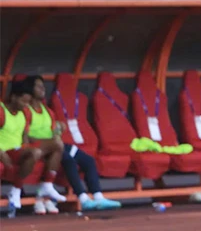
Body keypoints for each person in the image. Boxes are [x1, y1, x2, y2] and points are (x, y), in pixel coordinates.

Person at [30, 75, 120, 211]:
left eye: (43, 85)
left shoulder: (47, 110)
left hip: (55, 144)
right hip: (41, 147)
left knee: (88, 160)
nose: (42, 88)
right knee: (68, 160)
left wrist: (58, 128)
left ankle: (98, 196)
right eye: (38, 86)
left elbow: (52, 129)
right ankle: (83, 199)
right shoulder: (25, 110)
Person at [1, 80, 39, 217]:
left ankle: (16, 190)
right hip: (3, 151)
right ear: (13, 97)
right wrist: (2, 154)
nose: (26, 105)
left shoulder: (25, 113)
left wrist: (25, 148)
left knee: (35, 153)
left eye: (28, 102)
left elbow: (24, 137)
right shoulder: (1, 111)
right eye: (23, 101)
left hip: (16, 151)